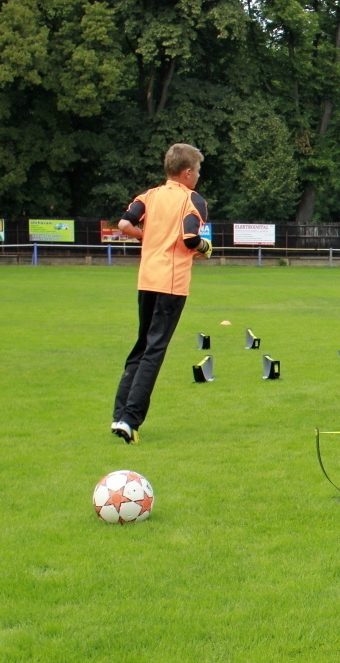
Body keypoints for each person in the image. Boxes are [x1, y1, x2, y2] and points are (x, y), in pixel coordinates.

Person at [110, 142, 213, 444]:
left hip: (147, 279)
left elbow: (125, 223)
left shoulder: (149, 196)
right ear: (187, 173)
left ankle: (119, 415)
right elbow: (191, 237)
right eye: (197, 171)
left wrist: (149, 237)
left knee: (142, 345)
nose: (198, 177)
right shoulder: (193, 200)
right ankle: (130, 420)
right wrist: (205, 248)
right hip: (171, 283)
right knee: (155, 349)